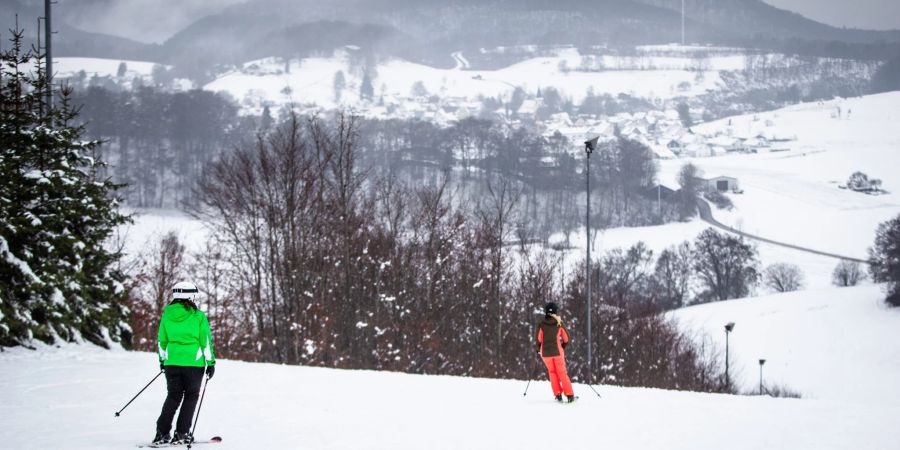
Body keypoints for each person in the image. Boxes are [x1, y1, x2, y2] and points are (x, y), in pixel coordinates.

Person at [153, 281, 216, 445]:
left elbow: (162, 341)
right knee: (190, 397)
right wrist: (210, 363)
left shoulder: (167, 315)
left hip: (172, 363)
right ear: (190, 296)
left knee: (173, 396)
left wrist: (162, 360)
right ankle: (181, 433)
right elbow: (206, 341)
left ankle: (161, 433)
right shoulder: (198, 316)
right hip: (193, 365)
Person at [535, 302, 575, 403]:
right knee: (562, 373)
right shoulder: (558, 323)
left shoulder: (541, 324)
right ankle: (569, 395)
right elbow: (567, 338)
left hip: (545, 354)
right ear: (555, 311)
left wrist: (538, 348)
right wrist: (563, 346)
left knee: (552, 373)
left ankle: (558, 395)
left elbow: (538, 339)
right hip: (557, 353)